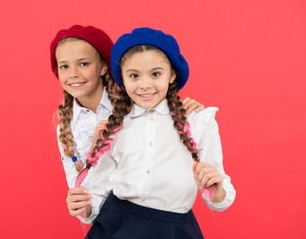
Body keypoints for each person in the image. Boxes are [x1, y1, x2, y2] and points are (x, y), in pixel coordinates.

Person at [73, 27, 236, 239]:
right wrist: (84, 207)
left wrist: (217, 188)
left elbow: (220, 197)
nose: (145, 85)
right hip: (115, 227)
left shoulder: (199, 121)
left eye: (156, 74)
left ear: (172, 75)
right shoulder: (113, 126)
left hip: (173, 230)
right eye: (134, 76)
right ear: (122, 78)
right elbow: (98, 192)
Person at [50, 25, 205, 222]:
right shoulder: (65, 129)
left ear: (104, 67)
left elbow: (158, 114)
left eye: (83, 64)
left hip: (147, 215)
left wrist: (180, 108)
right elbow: (81, 194)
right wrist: (82, 204)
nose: (73, 73)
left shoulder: (133, 102)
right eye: (64, 66)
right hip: (108, 223)